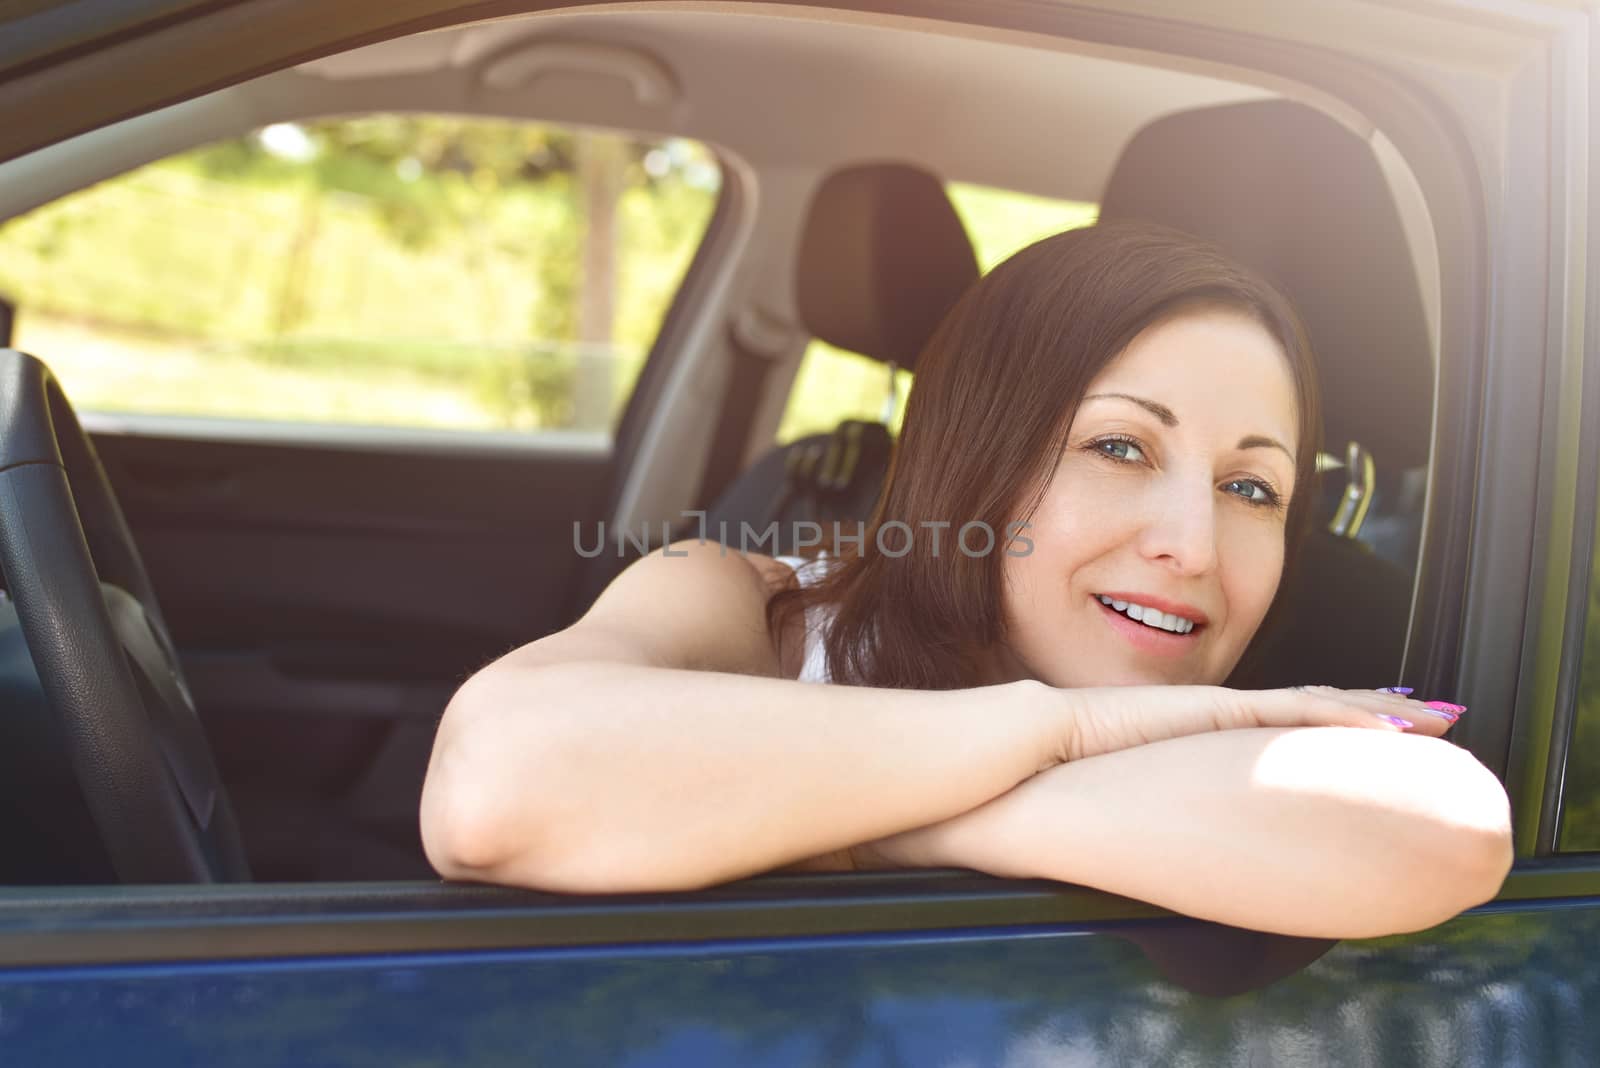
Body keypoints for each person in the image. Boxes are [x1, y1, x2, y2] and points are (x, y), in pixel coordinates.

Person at [419, 221, 1512, 940]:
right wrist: (1058, 735)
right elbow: (487, 788)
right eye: (1120, 448)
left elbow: (1453, 825)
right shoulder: (741, 602)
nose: (1194, 543)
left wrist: (878, 825)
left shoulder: (1233, 713)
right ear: (973, 454)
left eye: (1252, 489)